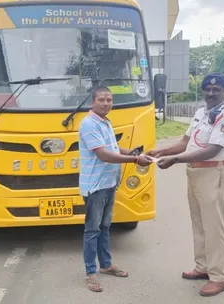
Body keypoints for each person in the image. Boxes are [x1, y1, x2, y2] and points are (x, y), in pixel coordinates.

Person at [148, 72, 224, 297]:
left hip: (215, 172)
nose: (210, 93)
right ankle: (202, 267)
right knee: (199, 223)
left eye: (216, 90)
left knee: (214, 226)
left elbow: (212, 149)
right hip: (196, 172)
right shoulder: (201, 112)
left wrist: (175, 160)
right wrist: (160, 151)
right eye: (207, 89)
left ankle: (219, 277)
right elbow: (186, 142)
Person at [78, 86, 152, 292]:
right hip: (96, 186)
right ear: (93, 102)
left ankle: (106, 265)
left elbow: (113, 149)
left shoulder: (105, 122)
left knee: (104, 228)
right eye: (101, 100)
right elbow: (104, 155)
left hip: (109, 183)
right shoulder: (89, 124)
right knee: (92, 230)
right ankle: (91, 273)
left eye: (109, 100)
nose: (106, 103)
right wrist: (136, 159)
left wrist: (134, 152)